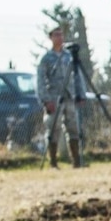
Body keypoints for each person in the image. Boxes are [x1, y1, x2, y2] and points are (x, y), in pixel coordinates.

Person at [36, 25, 86, 167]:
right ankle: (53, 161)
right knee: (53, 129)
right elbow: (40, 80)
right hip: (54, 97)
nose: (60, 38)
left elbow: (77, 76)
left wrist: (80, 94)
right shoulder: (46, 58)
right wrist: (45, 100)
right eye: (56, 35)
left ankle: (76, 161)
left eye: (61, 35)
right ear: (51, 37)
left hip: (69, 96)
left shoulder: (69, 56)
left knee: (73, 127)